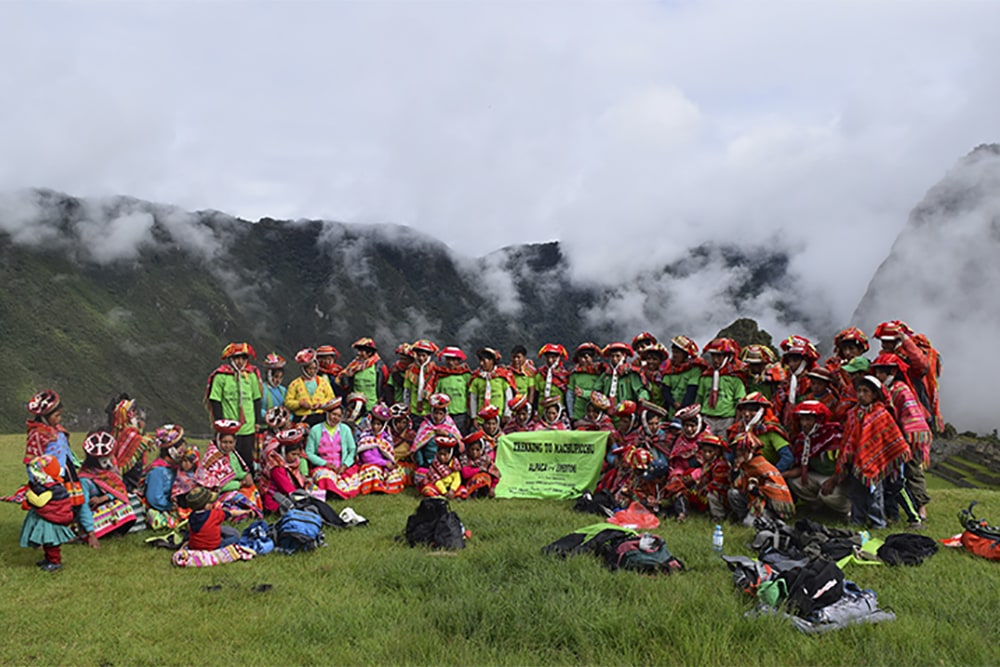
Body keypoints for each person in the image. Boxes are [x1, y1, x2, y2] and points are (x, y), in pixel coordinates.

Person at [824, 375, 914, 529]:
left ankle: (877, 522)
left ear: (875, 394)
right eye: (859, 391)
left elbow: (891, 438)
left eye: (865, 391)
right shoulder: (853, 414)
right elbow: (848, 439)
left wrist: (875, 455)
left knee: (874, 494)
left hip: (874, 463)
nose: (861, 395)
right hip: (855, 462)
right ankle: (857, 520)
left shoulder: (881, 414)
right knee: (855, 493)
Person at [871, 353, 933, 521]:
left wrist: (906, 438)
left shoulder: (901, 390)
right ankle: (892, 513)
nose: (879, 375)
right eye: (877, 372)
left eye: (882, 372)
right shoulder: (882, 391)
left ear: (892, 372)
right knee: (890, 478)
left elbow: (910, 414)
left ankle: (920, 510)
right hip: (890, 440)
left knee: (912, 473)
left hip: (908, 439)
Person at [20, 455, 95, 571]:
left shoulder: (53, 489)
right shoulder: (48, 486)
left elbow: (40, 502)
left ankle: (55, 562)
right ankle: (48, 559)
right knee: (47, 543)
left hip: (51, 520)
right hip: (47, 518)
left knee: (52, 544)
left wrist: (29, 494)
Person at [784, 401, 850, 519]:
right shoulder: (802, 439)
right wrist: (778, 475)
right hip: (820, 476)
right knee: (795, 482)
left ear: (818, 420)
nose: (804, 424)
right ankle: (820, 507)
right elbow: (801, 467)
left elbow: (846, 464)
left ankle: (849, 509)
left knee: (827, 495)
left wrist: (833, 480)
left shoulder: (833, 435)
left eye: (808, 419)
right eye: (802, 420)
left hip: (841, 478)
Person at [206, 342, 262, 475]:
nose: (240, 361)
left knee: (247, 459)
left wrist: (257, 422)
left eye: (243, 358)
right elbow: (215, 400)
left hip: (248, 426)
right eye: (237, 358)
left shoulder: (251, 375)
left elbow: (256, 399)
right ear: (231, 359)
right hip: (229, 426)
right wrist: (220, 423)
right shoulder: (221, 376)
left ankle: (250, 486)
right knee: (229, 459)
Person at [198, 419, 263, 521]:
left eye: (231, 442)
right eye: (224, 442)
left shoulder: (232, 455)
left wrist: (245, 475)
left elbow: (237, 471)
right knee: (234, 499)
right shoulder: (212, 459)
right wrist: (240, 484)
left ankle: (247, 511)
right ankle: (242, 513)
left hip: (233, 488)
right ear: (218, 440)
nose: (228, 446)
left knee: (252, 489)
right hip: (218, 495)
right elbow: (218, 486)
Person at [727, 431, 795, 526]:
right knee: (732, 493)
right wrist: (735, 469)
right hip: (754, 500)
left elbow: (776, 489)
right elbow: (737, 484)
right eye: (737, 450)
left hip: (770, 505)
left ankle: (773, 519)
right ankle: (744, 517)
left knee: (748, 524)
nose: (739, 454)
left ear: (751, 450)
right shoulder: (745, 465)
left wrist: (758, 490)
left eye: (743, 450)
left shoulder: (761, 465)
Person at [78, 430, 137, 538]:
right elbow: (83, 507)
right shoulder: (84, 479)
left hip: (104, 505)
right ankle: (95, 533)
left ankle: (113, 532)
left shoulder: (109, 471)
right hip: (89, 515)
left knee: (125, 505)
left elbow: (117, 490)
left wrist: (104, 498)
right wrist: (91, 533)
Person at [305, 397, 360, 500]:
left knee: (352, 480)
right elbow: (309, 452)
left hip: (341, 467)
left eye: (339, 416)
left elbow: (352, 449)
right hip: (324, 467)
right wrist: (325, 464)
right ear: (327, 414)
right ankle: (332, 491)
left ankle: (334, 491)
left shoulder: (345, 429)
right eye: (333, 414)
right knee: (325, 477)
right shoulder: (315, 430)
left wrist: (345, 465)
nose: (336, 418)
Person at [726, 392, 793, 472]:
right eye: (744, 409)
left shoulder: (770, 431)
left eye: (752, 410)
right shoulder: (737, 429)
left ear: (761, 411)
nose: (747, 414)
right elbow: (730, 455)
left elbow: (787, 457)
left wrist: (773, 472)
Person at [258, 426, 320, 513]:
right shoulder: (277, 467)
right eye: (293, 454)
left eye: (297, 454)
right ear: (284, 452)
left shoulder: (288, 463)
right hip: (275, 497)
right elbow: (287, 488)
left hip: (288, 492)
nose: (296, 458)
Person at [696, 337, 747, 435]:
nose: (715, 360)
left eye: (719, 356)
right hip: (707, 419)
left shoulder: (735, 378)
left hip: (727, 420)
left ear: (728, 357)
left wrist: (736, 423)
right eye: (713, 356)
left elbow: (739, 403)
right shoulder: (705, 377)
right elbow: (699, 399)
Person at [354, 403, 405, 495]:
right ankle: (375, 488)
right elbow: (366, 457)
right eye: (374, 424)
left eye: (378, 424)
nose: (375, 427)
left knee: (396, 472)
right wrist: (384, 463)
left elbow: (389, 455)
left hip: (384, 466)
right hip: (369, 464)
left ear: (383, 426)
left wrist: (388, 465)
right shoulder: (366, 436)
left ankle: (384, 487)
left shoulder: (386, 438)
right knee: (373, 470)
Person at [774, 335, 821, 431]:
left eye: (795, 360)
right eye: (790, 361)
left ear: (805, 361)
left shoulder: (813, 382)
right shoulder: (785, 383)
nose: (791, 364)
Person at [145, 424, 185, 529]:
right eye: (181, 451)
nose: (183, 454)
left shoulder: (174, 468)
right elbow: (154, 498)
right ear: (171, 452)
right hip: (159, 507)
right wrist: (170, 507)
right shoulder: (158, 471)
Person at [285, 348, 337, 426]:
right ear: (304, 369)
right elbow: (288, 402)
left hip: (320, 416)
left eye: (314, 368)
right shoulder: (294, 384)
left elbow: (331, 398)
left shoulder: (323, 382)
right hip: (301, 417)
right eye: (310, 368)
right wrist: (300, 404)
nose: (312, 371)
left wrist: (320, 404)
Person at [412, 394, 463, 470]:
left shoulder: (450, 425)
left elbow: (459, 444)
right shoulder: (425, 425)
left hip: (447, 463)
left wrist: (447, 434)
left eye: (441, 414)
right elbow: (418, 448)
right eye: (436, 413)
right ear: (432, 413)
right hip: (428, 463)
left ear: (445, 414)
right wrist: (422, 464)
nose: (438, 417)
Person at [24, 390, 70, 475]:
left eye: (60, 415)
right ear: (44, 417)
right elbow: (31, 462)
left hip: (66, 475)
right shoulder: (37, 434)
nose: (59, 419)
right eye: (56, 416)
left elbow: (66, 452)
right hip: (48, 479)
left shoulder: (59, 430)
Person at [468, 347, 516, 423]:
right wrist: (474, 417)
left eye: (484, 361)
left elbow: (508, 396)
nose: (481, 363)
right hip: (481, 418)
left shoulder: (502, 376)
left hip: (499, 417)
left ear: (492, 361)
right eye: (480, 361)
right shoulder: (476, 378)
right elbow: (473, 399)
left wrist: (507, 414)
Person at [338, 337, 391, 406]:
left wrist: (382, 397)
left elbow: (385, 383)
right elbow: (344, 384)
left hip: (372, 404)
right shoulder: (353, 366)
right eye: (358, 351)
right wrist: (347, 377)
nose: (359, 353)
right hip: (356, 403)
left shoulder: (379, 366)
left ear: (369, 353)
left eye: (362, 351)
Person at [661, 336, 705, 418]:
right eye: (673, 352)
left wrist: (683, 408)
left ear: (685, 354)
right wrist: (673, 403)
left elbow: (691, 390)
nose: (674, 355)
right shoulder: (670, 368)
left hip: (689, 411)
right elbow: (665, 389)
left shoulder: (694, 369)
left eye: (677, 353)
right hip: (672, 411)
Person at [185, 486, 240, 550]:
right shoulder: (215, 514)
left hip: (195, 546)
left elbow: (189, 528)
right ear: (207, 506)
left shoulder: (192, 515)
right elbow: (231, 513)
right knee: (235, 536)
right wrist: (246, 511)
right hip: (214, 547)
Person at [434, 347, 472, 434]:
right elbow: (437, 395)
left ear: (458, 361)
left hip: (461, 413)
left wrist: (470, 415)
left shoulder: (465, 375)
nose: (451, 362)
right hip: (445, 413)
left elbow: (470, 395)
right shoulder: (441, 375)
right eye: (448, 359)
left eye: (454, 360)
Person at [599, 342, 648, 407]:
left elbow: (640, 390)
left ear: (624, 357)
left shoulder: (631, 374)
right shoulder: (606, 375)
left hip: (627, 412)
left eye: (618, 356)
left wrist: (643, 397)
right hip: (608, 411)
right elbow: (596, 390)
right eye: (612, 356)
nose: (614, 359)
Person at [404, 339, 440, 425]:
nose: (421, 358)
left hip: (429, 411)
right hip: (413, 410)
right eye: (419, 356)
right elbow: (407, 391)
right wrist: (406, 407)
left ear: (429, 356)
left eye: (424, 356)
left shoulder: (434, 371)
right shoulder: (411, 370)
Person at [566, 342, 604, 424]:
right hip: (578, 414)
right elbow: (570, 395)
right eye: (581, 357)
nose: (583, 360)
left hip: (595, 414)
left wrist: (583, 393)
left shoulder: (600, 373)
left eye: (586, 357)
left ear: (592, 357)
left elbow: (600, 394)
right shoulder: (574, 373)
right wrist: (571, 414)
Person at [420, 435, 467, 499]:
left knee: (463, 490)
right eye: (440, 454)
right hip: (439, 488)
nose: (442, 457)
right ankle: (441, 496)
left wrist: (452, 490)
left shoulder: (454, 464)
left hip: (452, 488)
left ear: (450, 454)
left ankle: (455, 496)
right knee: (427, 489)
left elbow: (457, 479)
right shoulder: (434, 465)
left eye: (445, 455)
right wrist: (444, 492)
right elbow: (436, 481)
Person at [460, 430, 501, 497]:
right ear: (468, 449)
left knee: (484, 476)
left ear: (482, 450)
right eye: (472, 449)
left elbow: (495, 475)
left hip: (486, 483)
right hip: (469, 482)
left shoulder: (486, 460)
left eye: (477, 450)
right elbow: (465, 474)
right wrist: (479, 469)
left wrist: (492, 488)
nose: (474, 452)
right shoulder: (465, 459)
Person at [534, 343, 570, 409]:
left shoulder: (564, 375)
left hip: (557, 410)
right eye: (548, 357)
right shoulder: (540, 374)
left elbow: (567, 396)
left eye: (553, 357)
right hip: (541, 409)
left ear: (558, 358)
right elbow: (536, 394)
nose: (550, 360)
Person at [260, 353, 289, 420]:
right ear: (269, 375)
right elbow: (258, 408)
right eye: (276, 377)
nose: (278, 380)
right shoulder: (261, 388)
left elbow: (287, 407)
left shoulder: (283, 390)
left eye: (280, 377)